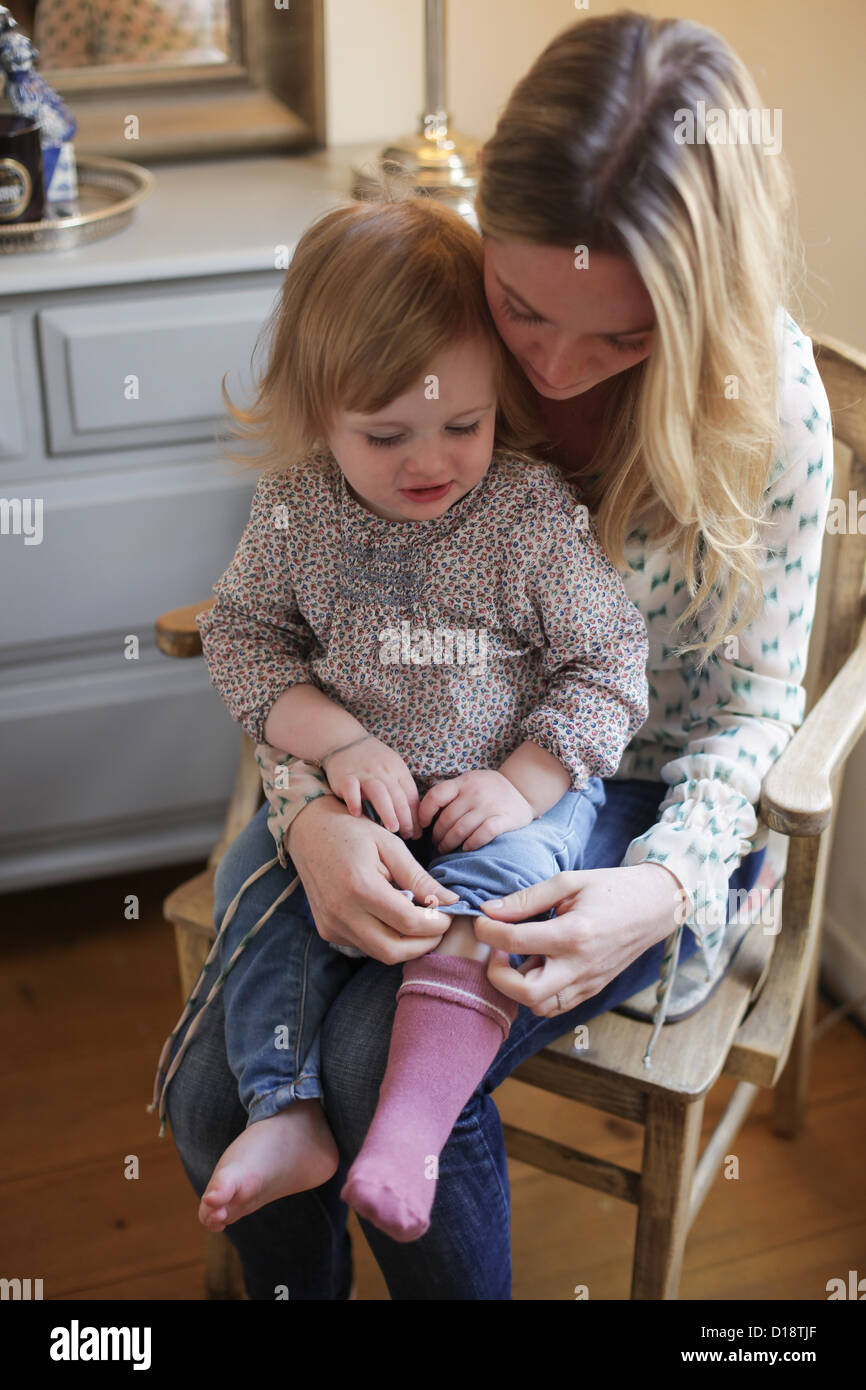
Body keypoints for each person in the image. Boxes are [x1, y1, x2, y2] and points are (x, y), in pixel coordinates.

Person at [162, 11, 834, 1299]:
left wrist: (666, 886)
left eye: (622, 338)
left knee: (370, 1077)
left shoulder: (767, 405)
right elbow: (303, 632)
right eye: (522, 307)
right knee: (210, 1103)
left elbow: (756, 700)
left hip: (628, 812)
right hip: (407, 781)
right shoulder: (428, 335)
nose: (554, 368)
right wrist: (309, 808)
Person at [150, 193, 650, 1245]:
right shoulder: (296, 513)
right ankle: (284, 1111)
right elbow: (244, 640)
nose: (429, 461)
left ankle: (411, 1126)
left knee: (496, 910)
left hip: (506, 801)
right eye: (385, 435)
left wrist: (519, 781)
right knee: (265, 914)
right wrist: (338, 743)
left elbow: (609, 661)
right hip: (347, 802)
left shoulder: (525, 515)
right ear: (317, 409)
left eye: (460, 425)